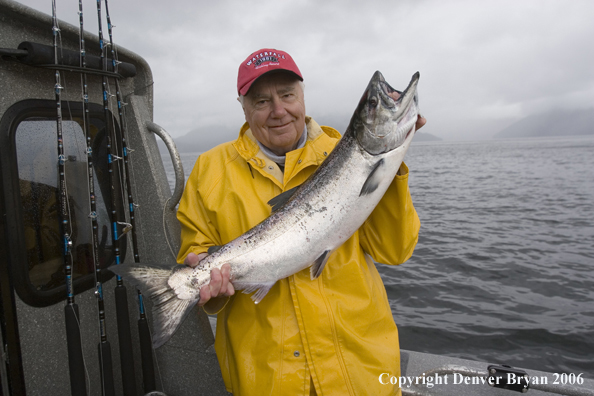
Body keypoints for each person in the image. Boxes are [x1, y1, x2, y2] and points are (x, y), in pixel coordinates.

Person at [176, 48, 424, 396]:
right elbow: (197, 255)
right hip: (268, 378)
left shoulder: (344, 151)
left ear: (302, 96)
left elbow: (395, 250)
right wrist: (209, 288)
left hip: (361, 369)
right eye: (262, 101)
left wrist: (391, 168)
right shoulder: (210, 170)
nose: (279, 111)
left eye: (288, 95)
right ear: (243, 107)